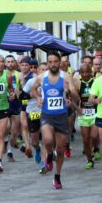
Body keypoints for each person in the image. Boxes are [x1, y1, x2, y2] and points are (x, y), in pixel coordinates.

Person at [33, 51, 79, 189]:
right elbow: (33, 89)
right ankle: (48, 157)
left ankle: (57, 177)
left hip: (62, 116)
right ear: (47, 63)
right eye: (50, 62)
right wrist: (38, 97)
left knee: (60, 150)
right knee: (47, 140)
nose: (53, 64)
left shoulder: (66, 77)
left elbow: (76, 97)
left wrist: (70, 91)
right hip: (47, 114)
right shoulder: (42, 77)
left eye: (55, 62)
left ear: (60, 62)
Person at [75, 63, 99, 169]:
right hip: (84, 115)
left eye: (87, 72)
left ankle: (96, 148)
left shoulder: (96, 82)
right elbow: (73, 99)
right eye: (83, 72)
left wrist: (97, 101)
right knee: (85, 139)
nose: (85, 74)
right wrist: (77, 109)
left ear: (91, 72)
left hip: (96, 113)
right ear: (80, 73)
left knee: (93, 136)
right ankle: (89, 160)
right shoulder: (77, 84)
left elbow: (101, 96)